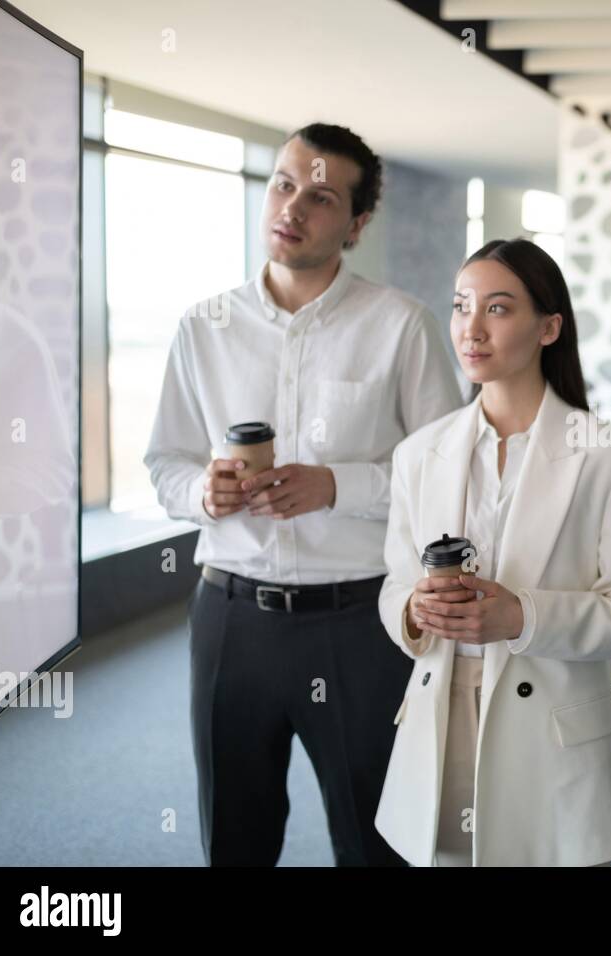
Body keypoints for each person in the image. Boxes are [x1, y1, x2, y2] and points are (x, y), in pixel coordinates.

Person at [145, 123, 463, 865]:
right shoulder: (203, 327)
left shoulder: (401, 327)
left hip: (359, 625)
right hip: (230, 619)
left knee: (374, 840)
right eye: (283, 185)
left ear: (355, 224)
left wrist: (335, 486)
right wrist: (204, 492)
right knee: (235, 839)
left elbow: (446, 482)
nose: (291, 207)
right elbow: (165, 461)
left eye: (319, 196)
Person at [374, 238, 611, 866]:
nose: (470, 328)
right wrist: (414, 611)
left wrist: (521, 617)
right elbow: (395, 585)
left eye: (498, 309)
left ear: (549, 326)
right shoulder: (418, 454)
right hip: (442, 721)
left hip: (555, 739)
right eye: (460, 306)